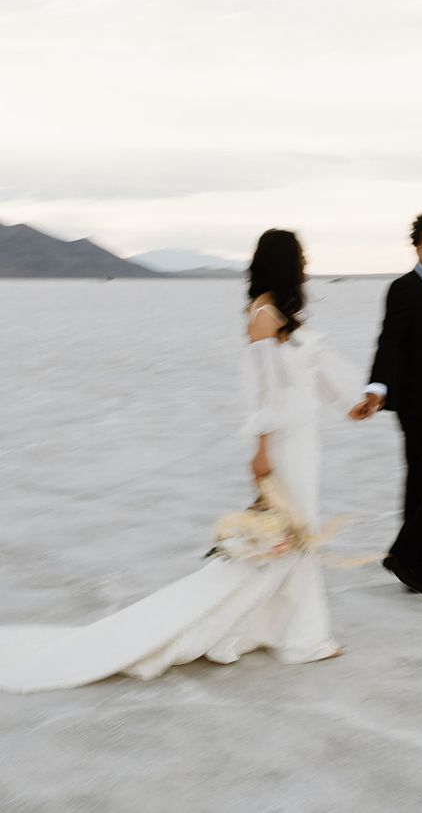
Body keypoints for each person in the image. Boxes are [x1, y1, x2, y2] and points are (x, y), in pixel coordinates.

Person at [0, 229, 361, 693]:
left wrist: (354, 403)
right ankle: (302, 638)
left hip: (306, 441)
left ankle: (279, 630)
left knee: (295, 537)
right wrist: (261, 452)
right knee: (293, 536)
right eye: (301, 257)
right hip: (284, 444)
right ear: (283, 263)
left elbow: (314, 373)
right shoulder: (264, 316)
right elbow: (263, 395)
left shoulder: (290, 317)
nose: (307, 263)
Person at [350, 211, 422, 596]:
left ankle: (415, 563)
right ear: (417, 246)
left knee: (418, 479)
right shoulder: (405, 288)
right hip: (419, 403)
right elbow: (390, 341)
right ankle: (403, 554)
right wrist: (377, 387)